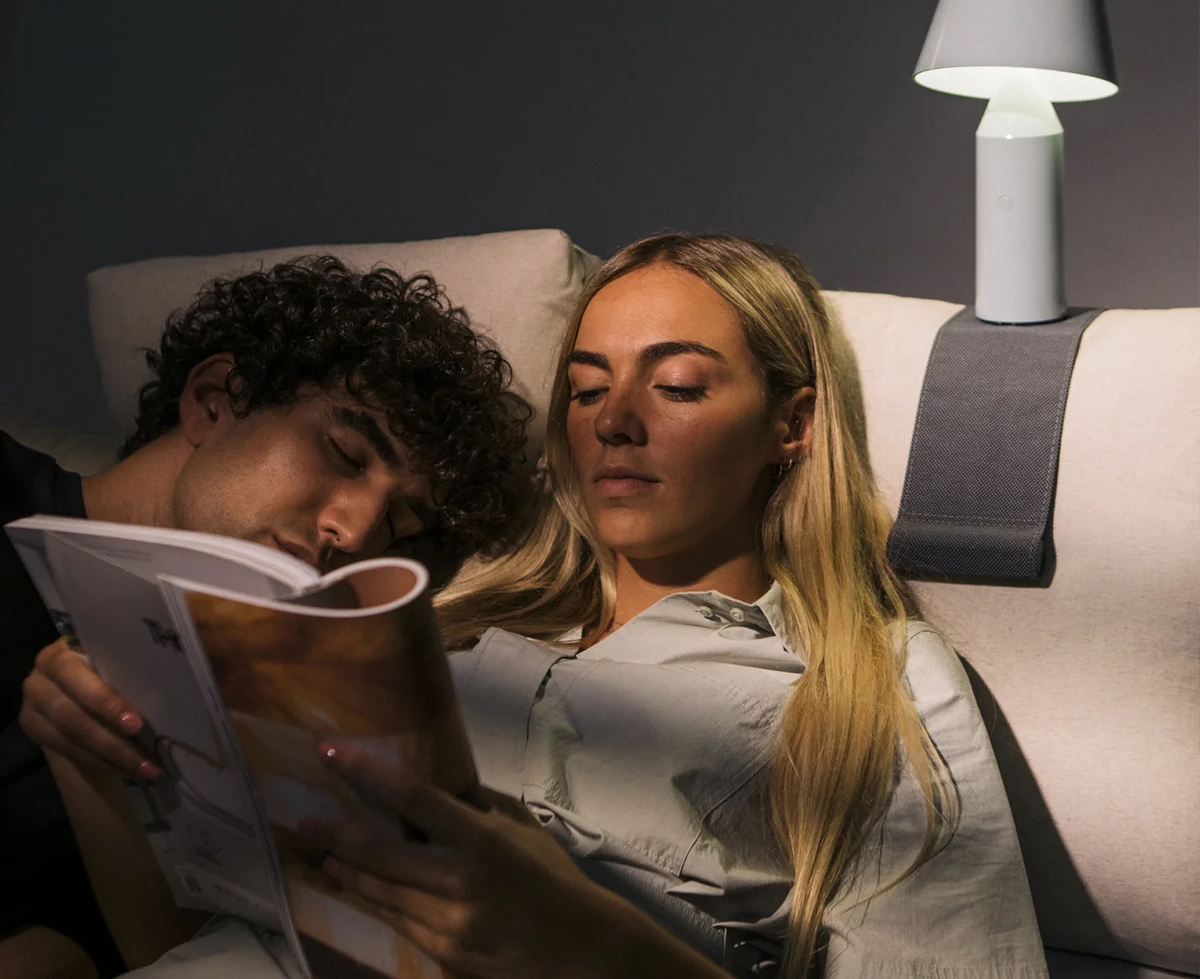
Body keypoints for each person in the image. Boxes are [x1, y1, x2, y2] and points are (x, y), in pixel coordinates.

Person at [24, 234, 1048, 979]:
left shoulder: (871, 683)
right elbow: (181, 947)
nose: (616, 422)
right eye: (587, 389)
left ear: (794, 424)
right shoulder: (426, 637)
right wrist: (89, 762)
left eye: (678, 385)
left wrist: (583, 940)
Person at [4, 255, 531, 978]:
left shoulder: (234, 724)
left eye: (397, 527)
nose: (355, 531)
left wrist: (92, 768)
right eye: (345, 454)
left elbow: (138, 958)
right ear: (214, 401)